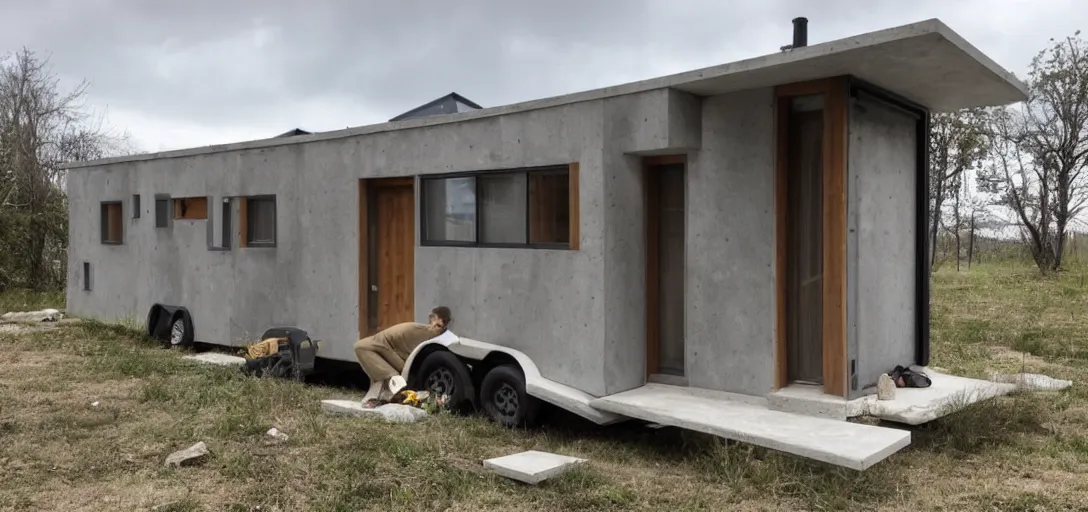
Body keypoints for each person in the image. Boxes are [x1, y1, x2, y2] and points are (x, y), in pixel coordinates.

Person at [354, 306, 452, 403]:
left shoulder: (427, 331)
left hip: (396, 357)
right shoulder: (423, 330)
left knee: (361, 347)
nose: (438, 326)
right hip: (390, 352)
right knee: (367, 354)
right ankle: (390, 388)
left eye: (441, 323)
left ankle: (393, 384)